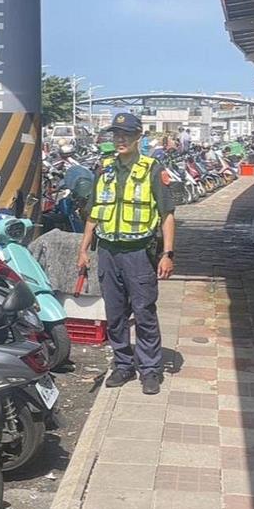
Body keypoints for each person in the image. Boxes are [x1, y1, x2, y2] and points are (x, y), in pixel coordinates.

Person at [78, 112, 176, 395]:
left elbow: (167, 215)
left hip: (138, 253)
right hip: (108, 251)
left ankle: (150, 370)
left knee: (144, 311)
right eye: (116, 135)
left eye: (126, 135)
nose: (120, 140)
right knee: (115, 312)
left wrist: (167, 253)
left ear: (138, 138)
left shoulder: (153, 169)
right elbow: (93, 214)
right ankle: (123, 364)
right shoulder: (104, 169)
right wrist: (83, 250)